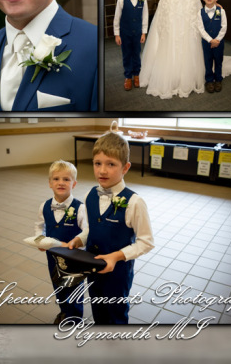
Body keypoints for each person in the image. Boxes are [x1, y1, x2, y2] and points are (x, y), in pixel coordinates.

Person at [85, 131, 154, 324]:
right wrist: (78, 240)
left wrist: (116, 256)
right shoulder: (90, 195)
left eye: (111, 164)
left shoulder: (135, 202)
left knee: (115, 313)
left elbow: (146, 242)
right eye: (97, 163)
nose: (102, 171)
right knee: (97, 307)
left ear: (125, 168)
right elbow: (91, 229)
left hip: (118, 273)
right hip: (92, 267)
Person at [34, 160, 88, 324]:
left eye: (66, 179)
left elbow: (87, 230)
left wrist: (77, 241)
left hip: (74, 259)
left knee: (74, 288)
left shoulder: (80, 208)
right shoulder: (44, 206)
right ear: (50, 183)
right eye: (56, 179)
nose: (61, 182)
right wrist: (39, 240)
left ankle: (75, 318)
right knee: (58, 286)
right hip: (53, 258)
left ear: (74, 183)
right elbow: (39, 226)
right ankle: (64, 311)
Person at [112, 0, 149, 90]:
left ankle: (136, 75)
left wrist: (144, 32)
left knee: (136, 53)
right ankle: (128, 76)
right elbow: (116, 18)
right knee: (127, 54)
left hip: (137, 32)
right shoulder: (121, 0)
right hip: (125, 33)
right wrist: (117, 34)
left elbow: (145, 16)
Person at [198, 0, 228, 93]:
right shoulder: (200, 13)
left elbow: (224, 27)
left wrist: (217, 40)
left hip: (219, 42)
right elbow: (200, 29)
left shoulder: (221, 11)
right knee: (208, 61)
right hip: (206, 42)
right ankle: (209, 80)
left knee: (218, 60)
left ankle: (218, 79)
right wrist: (210, 40)